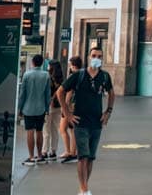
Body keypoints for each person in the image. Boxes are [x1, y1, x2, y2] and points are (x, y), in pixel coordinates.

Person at [61, 47, 114, 195]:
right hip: (80, 122)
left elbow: (111, 93)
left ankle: (83, 187)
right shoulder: (78, 75)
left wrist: (108, 112)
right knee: (82, 156)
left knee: (90, 158)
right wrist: (67, 114)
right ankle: (84, 188)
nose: (96, 58)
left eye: (99, 56)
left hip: (96, 123)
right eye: (94, 55)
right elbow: (60, 92)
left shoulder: (104, 76)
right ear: (89, 57)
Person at [18, 54, 50, 166]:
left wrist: (20, 108)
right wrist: (47, 108)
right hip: (41, 108)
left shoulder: (27, 75)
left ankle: (31, 157)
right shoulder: (46, 75)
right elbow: (47, 94)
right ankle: (40, 156)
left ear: (32, 62)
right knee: (39, 131)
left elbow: (22, 94)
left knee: (30, 131)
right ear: (42, 63)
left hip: (28, 108)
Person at [42, 60, 66, 162]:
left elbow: (45, 92)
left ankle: (44, 151)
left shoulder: (48, 77)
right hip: (58, 106)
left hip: (48, 106)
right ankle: (53, 151)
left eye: (49, 65)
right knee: (54, 130)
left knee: (46, 130)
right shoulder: (61, 78)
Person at [60, 56, 82, 164]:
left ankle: (69, 152)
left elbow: (69, 93)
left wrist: (65, 107)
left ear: (73, 65)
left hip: (70, 107)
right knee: (73, 130)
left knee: (63, 129)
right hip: (78, 105)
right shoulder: (83, 75)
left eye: (70, 65)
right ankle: (74, 152)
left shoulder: (73, 76)